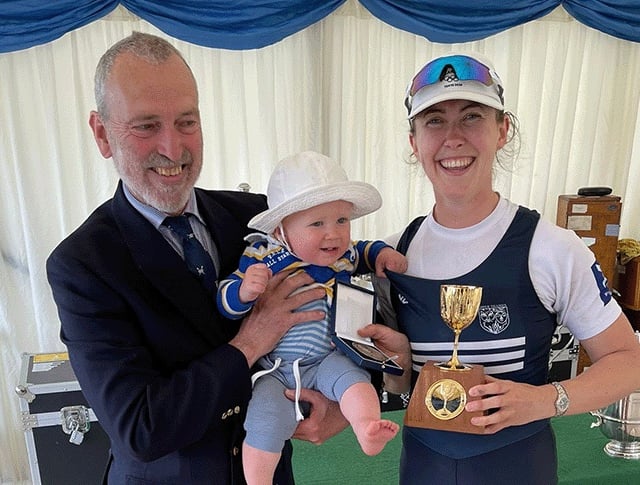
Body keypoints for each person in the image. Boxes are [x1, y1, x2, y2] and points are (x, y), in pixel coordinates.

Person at [46, 32, 346, 485]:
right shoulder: (82, 264)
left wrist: (344, 406)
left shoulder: (258, 218)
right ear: (102, 134)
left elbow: (334, 303)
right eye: (146, 126)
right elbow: (140, 428)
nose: (173, 147)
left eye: (186, 121)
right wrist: (250, 343)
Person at [359, 53, 640, 484]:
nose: (453, 138)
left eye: (472, 117)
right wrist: (396, 366)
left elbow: (628, 361)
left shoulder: (552, 247)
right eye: (434, 121)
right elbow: (399, 386)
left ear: (502, 130)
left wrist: (547, 399)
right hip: (422, 465)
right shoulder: (396, 253)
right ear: (414, 142)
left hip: (517, 465)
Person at [217, 151, 406, 484]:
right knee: (263, 419)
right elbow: (225, 297)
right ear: (281, 230)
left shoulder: (343, 254)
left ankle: (367, 429)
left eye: (341, 221)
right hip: (273, 369)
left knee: (355, 384)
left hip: (326, 358)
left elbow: (363, 250)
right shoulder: (265, 254)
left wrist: (382, 254)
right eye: (317, 223)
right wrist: (244, 291)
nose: (332, 234)